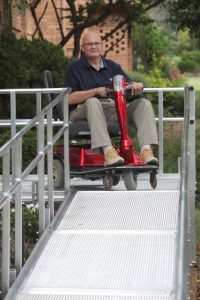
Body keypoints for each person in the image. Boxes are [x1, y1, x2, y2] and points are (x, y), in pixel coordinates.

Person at [64, 30, 158, 167]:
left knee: (143, 104)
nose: (94, 47)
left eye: (97, 43)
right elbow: (68, 99)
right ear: (82, 48)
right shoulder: (74, 68)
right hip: (82, 111)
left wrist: (135, 86)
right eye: (89, 44)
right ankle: (108, 151)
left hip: (111, 109)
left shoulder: (112, 66)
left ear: (102, 46)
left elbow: (127, 85)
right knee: (93, 101)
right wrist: (95, 91)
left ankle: (146, 150)